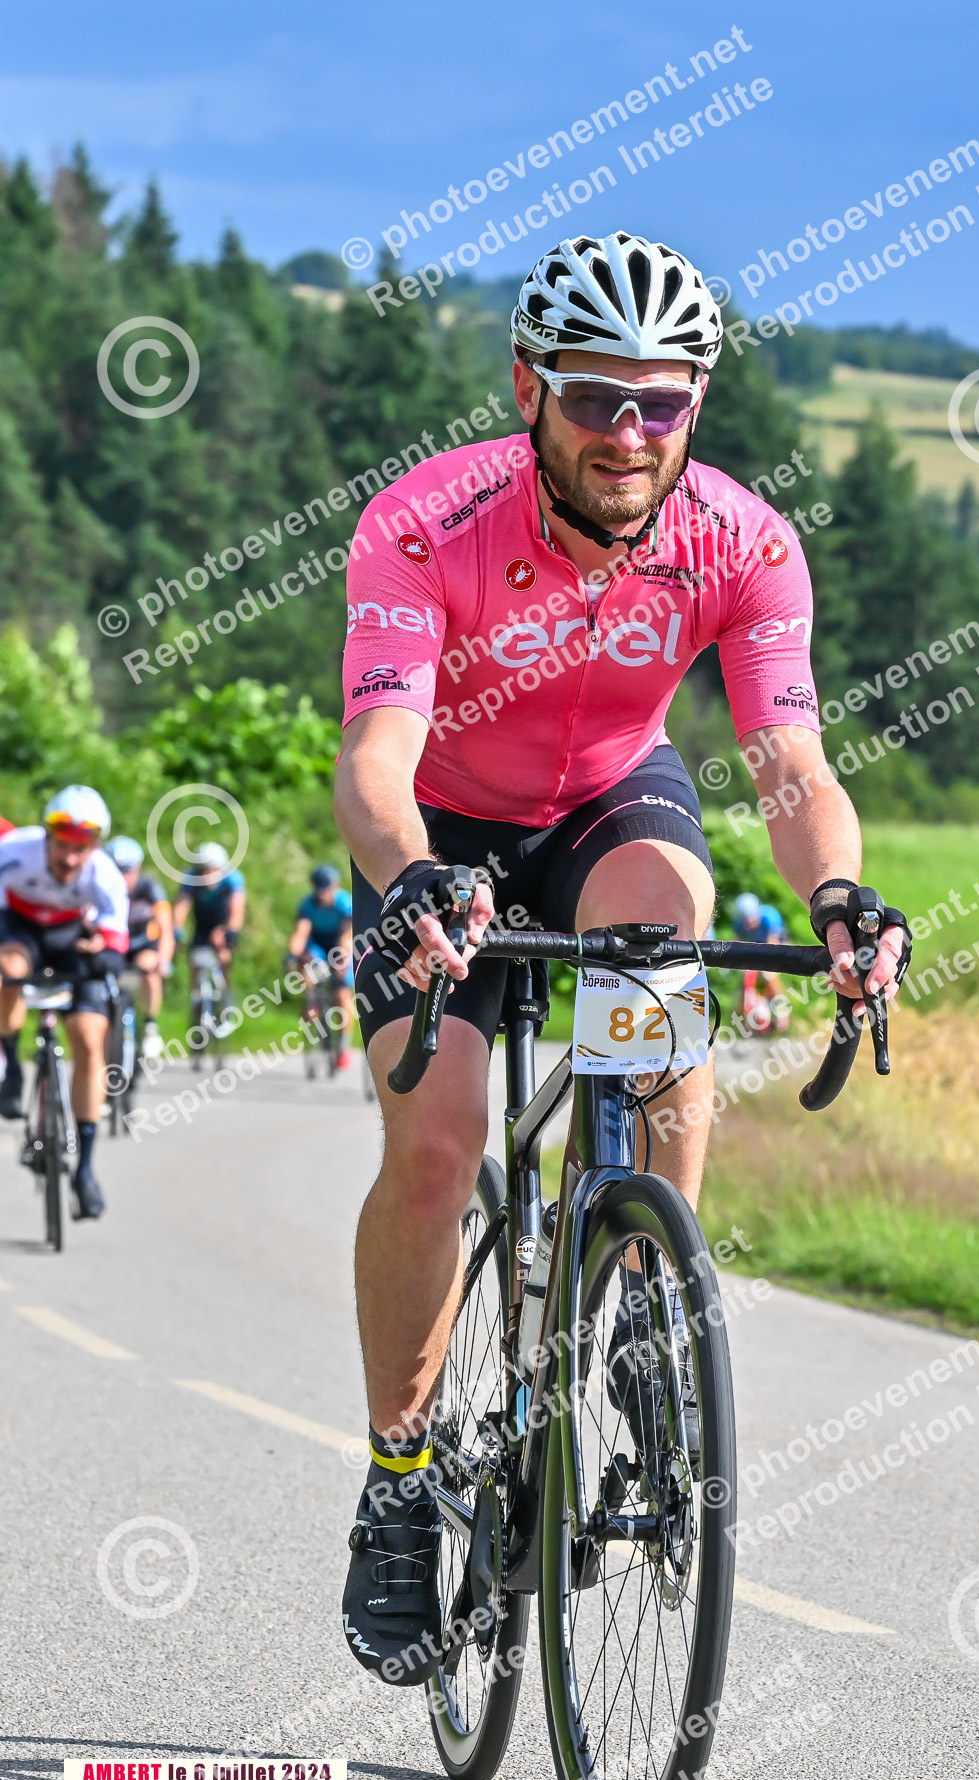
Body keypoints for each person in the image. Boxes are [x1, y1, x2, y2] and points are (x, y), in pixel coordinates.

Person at [333, 230, 911, 1687]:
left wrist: (839, 897)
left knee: (663, 951)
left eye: (663, 400)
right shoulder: (426, 521)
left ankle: (644, 1317)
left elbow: (789, 764)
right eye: (596, 396)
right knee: (437, 1147)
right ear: (529, 387)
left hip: (607, 804)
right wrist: (411, 879)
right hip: (441, 832)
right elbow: (375, 755)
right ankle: (400, 1476)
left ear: (697, 401)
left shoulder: (741, 542)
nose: (629, 432)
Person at [0, 786, 128, 1217]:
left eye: (81, 849)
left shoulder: (105, 875)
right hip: (19, 930)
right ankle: (12, 1067)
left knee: (89, 1040)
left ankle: (85, 1169)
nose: (70, 859)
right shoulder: (14, 852)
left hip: (71, 940)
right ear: (46, 837)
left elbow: (115, 938)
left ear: (96, 846)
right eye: (62, 846)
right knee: (10, 970)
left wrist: (105, 955)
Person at [106, 835, 174, 1061]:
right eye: (116, 870)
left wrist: (164, 960)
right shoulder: (101, 886)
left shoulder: (149, 887)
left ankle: (151, 1025)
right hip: (114, 945)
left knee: (149, 967)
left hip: (143, 944)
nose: (122, 877)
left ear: (138, 868)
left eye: (127, 871)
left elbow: (166, 928)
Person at [288, 863, 355, 1068]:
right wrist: (292, 954)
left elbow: (347, 935)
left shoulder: (345, 903)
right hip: (317, 945)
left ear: (335, 886)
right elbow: (301, 932)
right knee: (307, 965)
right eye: (320, 889)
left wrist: (342, 958)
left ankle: (342, 1045)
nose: (323, 893)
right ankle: (311, 1002)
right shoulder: (308, 905)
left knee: (342, 993)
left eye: (327, 888)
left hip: (340, 944)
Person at [172, 842, 245, 988]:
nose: (206, 875)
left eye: (211, 870)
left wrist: (228, 931)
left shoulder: (232, 879)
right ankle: (197, 997)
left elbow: (237, 912)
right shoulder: (191, 878)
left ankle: (225, 992)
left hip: (223, 921)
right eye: (202, 870)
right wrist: (176, 931)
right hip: (201, 922)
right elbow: (181, 907)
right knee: (195, 961)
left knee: (224, 957)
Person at [730, 890, 789, 1033]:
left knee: (769, 975)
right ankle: (746, 1016)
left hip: (777, 945)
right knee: (745, 977)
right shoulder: (739, 923)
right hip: (757, 947)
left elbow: (773, 945)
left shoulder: (770, 916)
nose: (749, 925)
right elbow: (735, 943)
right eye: (746, 922)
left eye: (751, 921)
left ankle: (782, 1013)